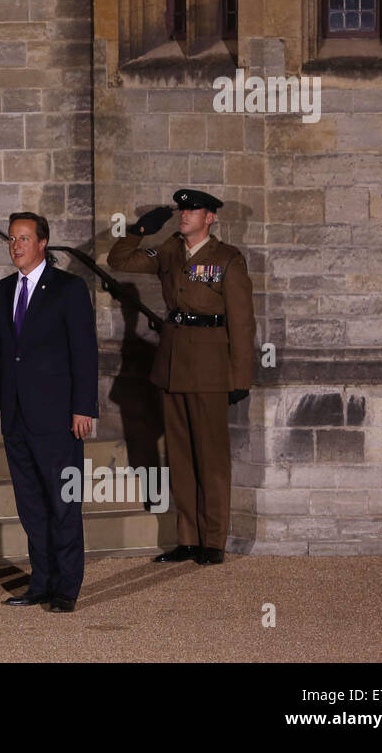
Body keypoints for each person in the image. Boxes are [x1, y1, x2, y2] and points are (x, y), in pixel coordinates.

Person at [107, 188, 256, 566]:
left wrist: (240, 377)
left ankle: (214, 539)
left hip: (210, 369)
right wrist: (140, 228)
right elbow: (119, 259)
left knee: (212, 458)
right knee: (180, 456)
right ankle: (188, 538)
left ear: (211, 218)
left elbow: (242, 322)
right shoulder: (171, 251)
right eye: (182, 209)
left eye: (193, 210)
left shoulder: (227, 259)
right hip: (172, 366)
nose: (184, 214)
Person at [0, 212, 98, 612]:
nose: (17, 245)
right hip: (15, 418)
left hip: (58, 418)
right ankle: (41, 583)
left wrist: (83, 407)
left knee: (63, 505)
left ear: (43, 243)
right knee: (31, 507)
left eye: (25, 238)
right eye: (12, 239)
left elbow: (84, 352)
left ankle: (67, 588)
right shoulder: (1, 290)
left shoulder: (69, 288)